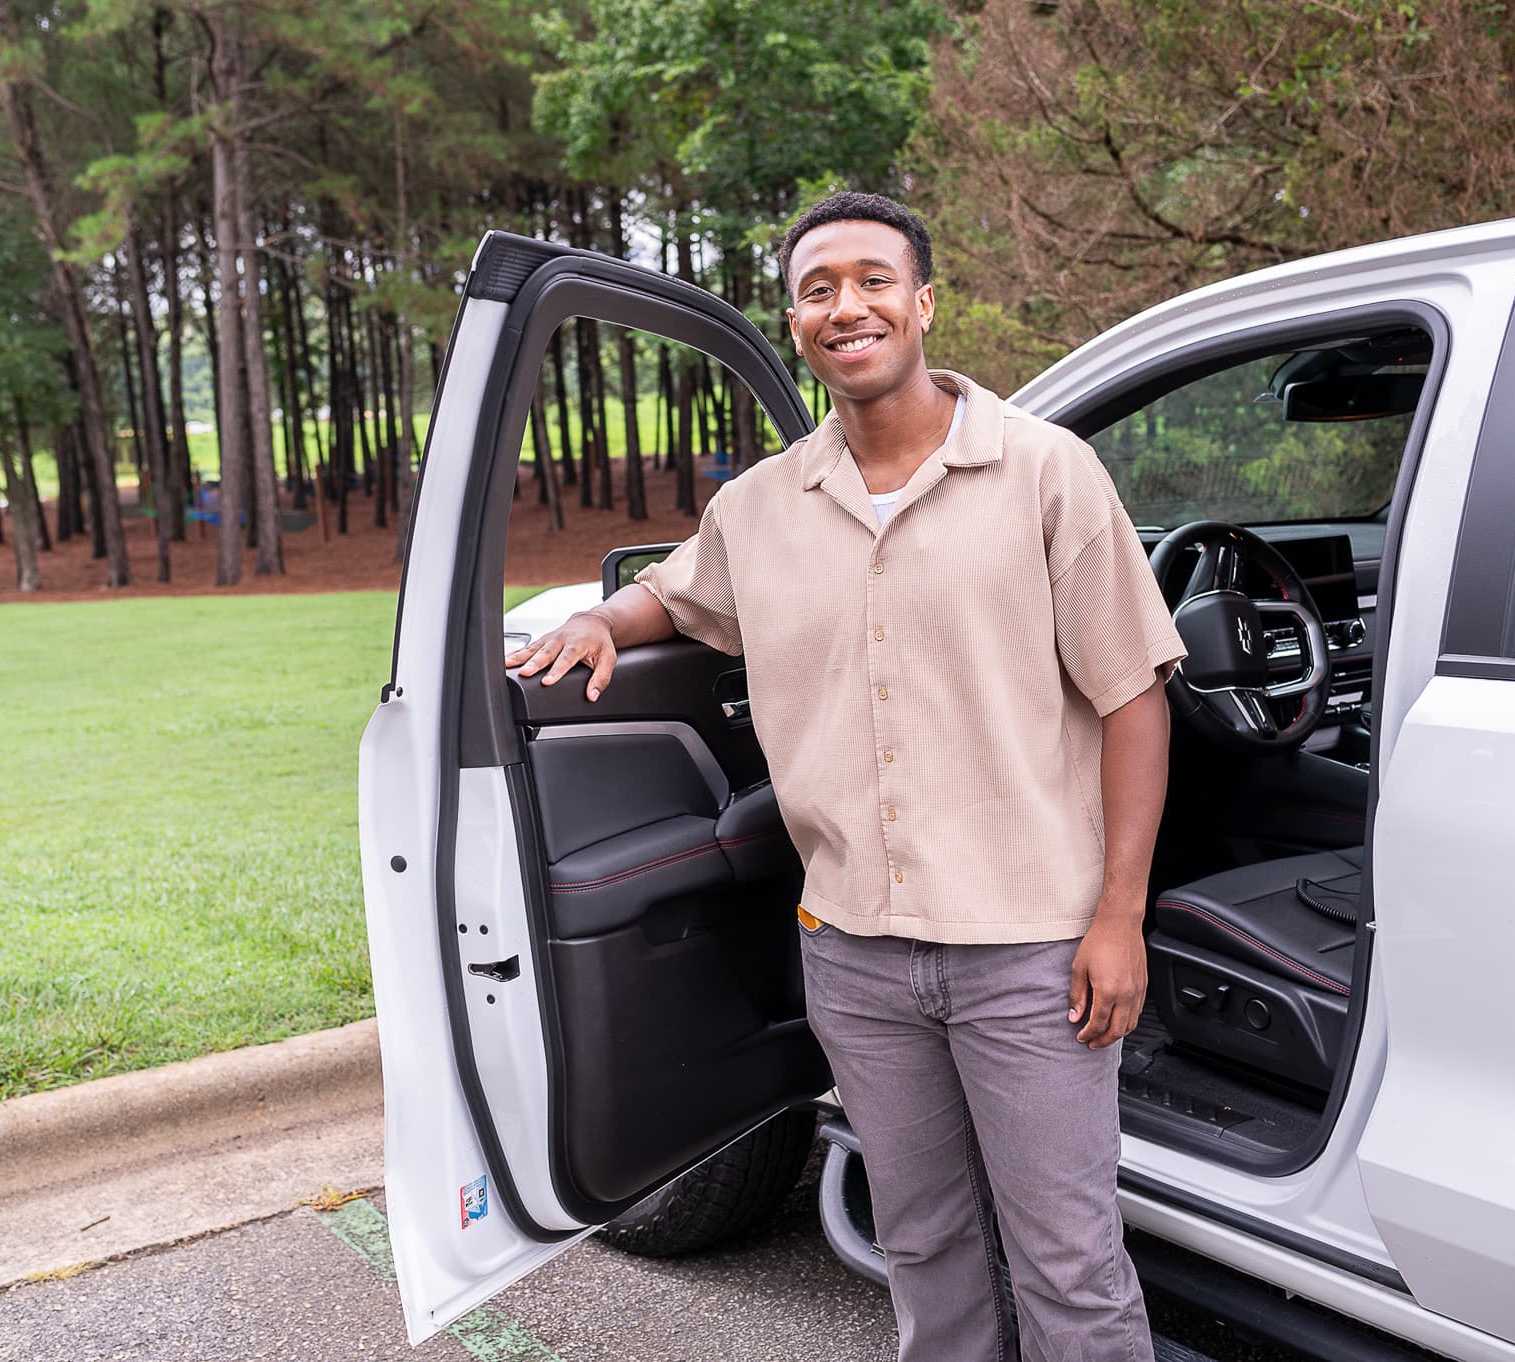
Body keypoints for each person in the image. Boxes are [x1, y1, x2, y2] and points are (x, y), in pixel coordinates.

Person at [503, 191, 1185, 1362]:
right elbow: (677, 589)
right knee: (920, 1243)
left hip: (1028, 951)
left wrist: (1116, 917)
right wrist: (606, 620)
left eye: (872, 280)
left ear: (922, 303)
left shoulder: (1044, 474)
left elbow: (1133, 698)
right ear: (795, 322)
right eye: (818, 289)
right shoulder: (761, 505)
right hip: (852, 953)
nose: (845, 306)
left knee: (1065, 1260)